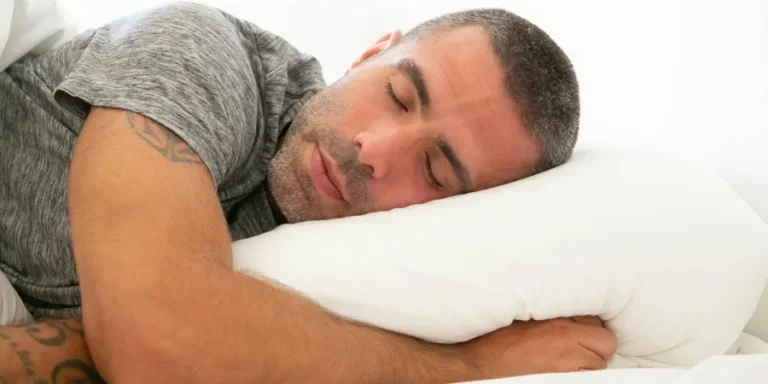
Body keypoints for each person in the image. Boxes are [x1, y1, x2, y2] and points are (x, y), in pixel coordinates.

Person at [0, 2, 616, 383]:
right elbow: (158, 348)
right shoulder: (207, 56)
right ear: (371, 54)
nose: (373, 149)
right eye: (397, 95)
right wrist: (466, 369)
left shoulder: (369, 277)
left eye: (432, 169)